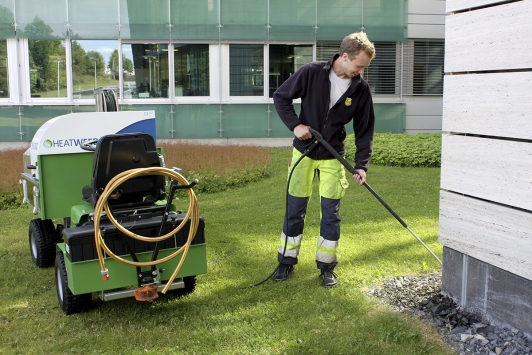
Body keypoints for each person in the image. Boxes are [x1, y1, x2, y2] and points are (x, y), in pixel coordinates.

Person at [273, 32, 376, 287]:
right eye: (359, 65)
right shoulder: (311, 72)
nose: (362, 71)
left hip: (333, 156)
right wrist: (295, 125)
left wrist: (362, 165)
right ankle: (286, 262)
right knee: (295, 209)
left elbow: (365, 129)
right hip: (304, 152)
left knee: (331, 213)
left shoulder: (360, 88)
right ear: (344, 56)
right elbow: (281, 97)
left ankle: (327, 267)